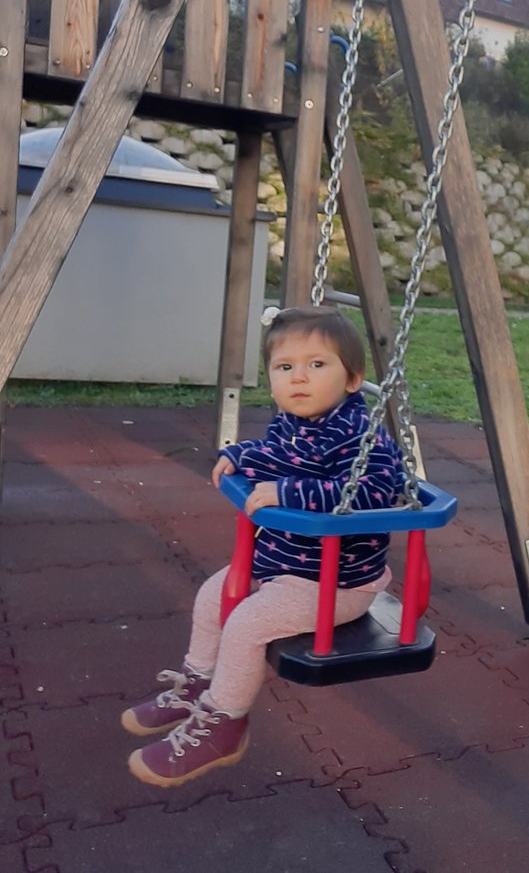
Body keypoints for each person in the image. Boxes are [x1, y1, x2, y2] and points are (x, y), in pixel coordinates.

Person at [123, 306, 404, 787]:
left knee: (247, 623)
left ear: (353, 379)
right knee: (215, 594)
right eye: (285, 367)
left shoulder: (362, 437)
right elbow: (277, 453)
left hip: (335, 583)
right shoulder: (293, 422)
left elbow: (377, 490)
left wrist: (291, 493)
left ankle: (225, 724)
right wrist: (240, 453)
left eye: (317, 365)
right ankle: (197, 682)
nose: (299, 377)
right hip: (285, 563)